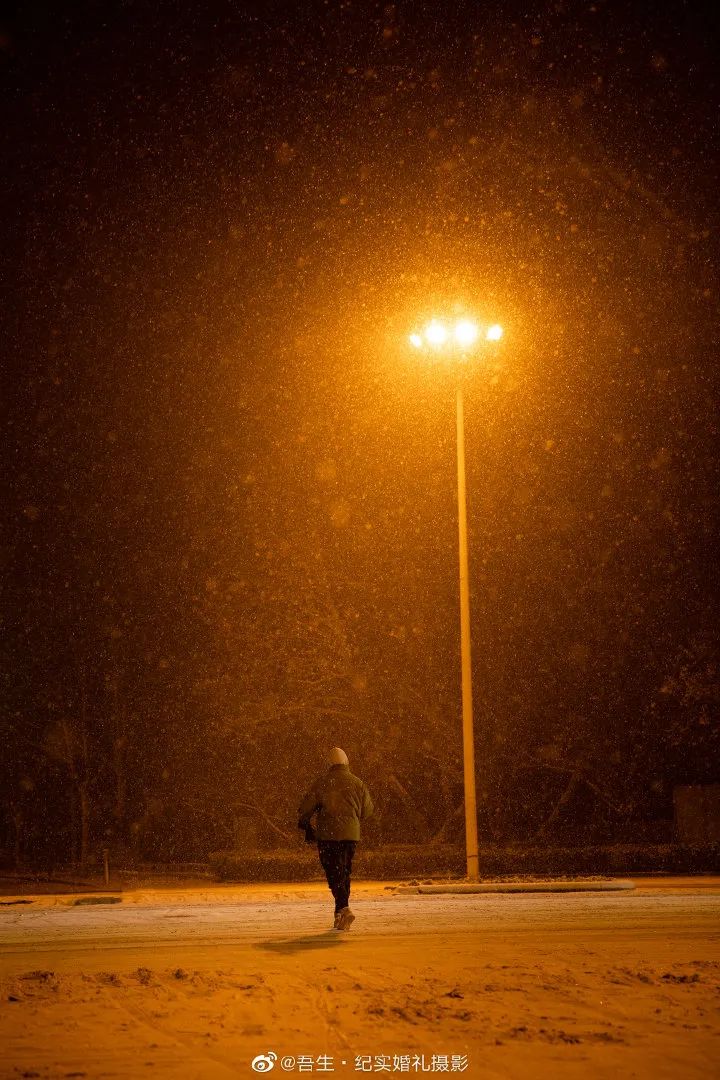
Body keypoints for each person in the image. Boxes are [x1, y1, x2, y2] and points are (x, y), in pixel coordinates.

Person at [298, 747, 374, 931]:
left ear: (329, 763)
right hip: (351, 836)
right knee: (344, 872)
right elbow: (367, 811)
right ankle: (340, 913)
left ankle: (343, 908)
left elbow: (305, 808)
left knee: (333, 873)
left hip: (328, 836)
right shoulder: (358, 783)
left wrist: (305, 823)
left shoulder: (322, 783)